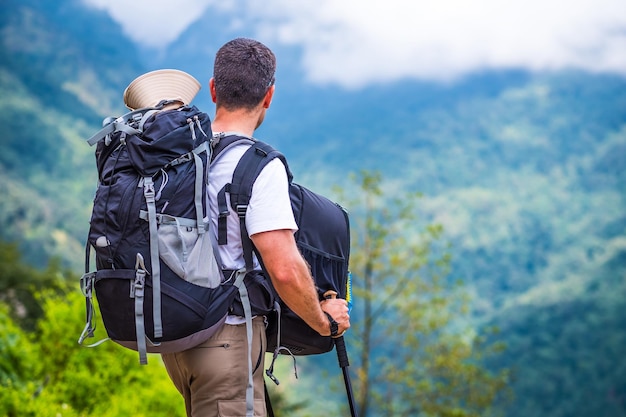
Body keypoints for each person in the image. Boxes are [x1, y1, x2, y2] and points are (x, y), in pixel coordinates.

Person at [160, 37, 351, 417]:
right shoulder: (259, 165)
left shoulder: (181, 153)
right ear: (269, 96)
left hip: (178, 337)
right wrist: (323, 320)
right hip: (225, 339)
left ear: (214, 89)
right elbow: (282, 265)